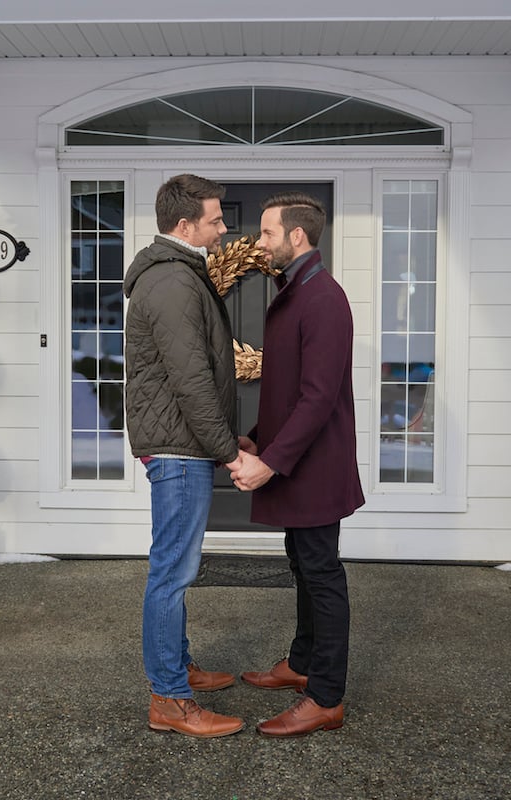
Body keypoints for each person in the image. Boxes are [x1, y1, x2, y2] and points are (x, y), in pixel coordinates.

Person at [231, 191, 365, 737]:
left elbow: (318, 398)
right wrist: (260, 439)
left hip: (317, 466)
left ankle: (326, 696)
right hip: (297, 462)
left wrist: (271, 463)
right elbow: (287, 392)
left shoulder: (324, 298)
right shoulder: (296, 291)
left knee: (322, 573)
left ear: (297, 236)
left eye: (266, 233)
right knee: (302, 564)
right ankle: (303, 662)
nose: (258, 243)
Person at [123, 173, 247, 738]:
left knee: (174, 568)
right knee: (172, 573)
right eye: (216, 219)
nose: (224, 228)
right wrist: (227, 450)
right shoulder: (173, 281)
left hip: (182, 443)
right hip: (178, 448)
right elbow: (191, 378)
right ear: (184, 225)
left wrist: (227, 438)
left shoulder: (177, 274)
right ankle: (168, 699)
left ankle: (179, 669)